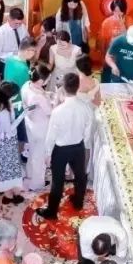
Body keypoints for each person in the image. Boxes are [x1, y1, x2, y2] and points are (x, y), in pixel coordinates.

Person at [37, 73, 94, 220]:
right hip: (78, 147)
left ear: (63, 88)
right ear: (77, 87)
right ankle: (78, 202)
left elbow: (51, 135)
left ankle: (52, 211)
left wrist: (47, 153)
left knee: (58, 181)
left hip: (61, 149)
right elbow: (88, 130)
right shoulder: (85, 107)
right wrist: (85, 143)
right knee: (80, 176)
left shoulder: (58, 111)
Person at [0, 82, 25, 205]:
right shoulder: (3, 112)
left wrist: (16, 106)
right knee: (10, 170)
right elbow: (9, 129)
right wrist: (23, 115)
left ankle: (2, 191)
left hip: (0, 142)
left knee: (3, 169)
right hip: (5, 144)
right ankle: (9, 195)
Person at [21, 65, 54, 190]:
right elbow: (50, 112)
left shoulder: (26, 85)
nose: (48, 81)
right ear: (40, 81)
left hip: (30, 123)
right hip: (41, 127)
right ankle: (36, 184)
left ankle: (29, 175)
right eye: (47, 79)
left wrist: (47, 95)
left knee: (33, 152)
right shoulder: (38, 96)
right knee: (39, 156)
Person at [0, 7, 30, 73]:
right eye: (16, 23)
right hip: (7, 64)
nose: (18, 26)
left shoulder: (23, 27)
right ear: (9, 19)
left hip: (22, 61)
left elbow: (27, 41)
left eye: (20, 23)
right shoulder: (1, 32)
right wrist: (13, 54)